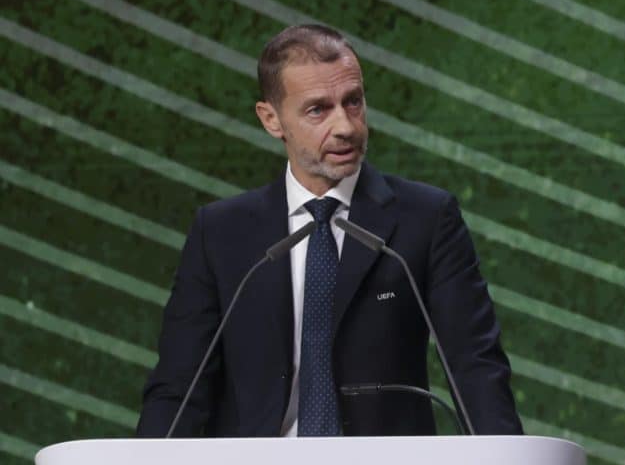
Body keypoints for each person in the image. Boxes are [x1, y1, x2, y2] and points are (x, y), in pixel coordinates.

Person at [137, 24, 523, 437]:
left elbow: (476, 368)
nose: (346, 126)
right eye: (318, 109)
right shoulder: (220, 232)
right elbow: (180, 387)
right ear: (272, 119)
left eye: (353, 102)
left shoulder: (427, 218)